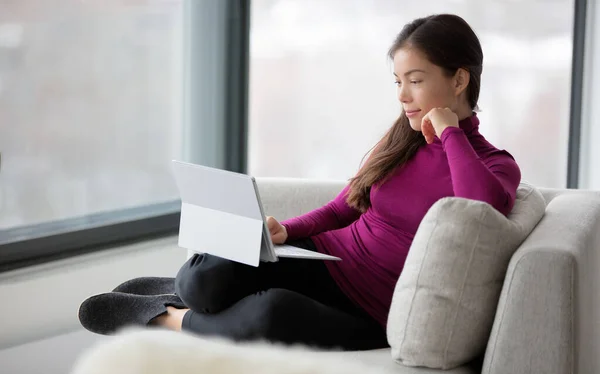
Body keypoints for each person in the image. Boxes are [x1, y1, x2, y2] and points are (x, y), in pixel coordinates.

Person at [78, 14, 521, 351]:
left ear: (460, 79)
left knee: (272, 313)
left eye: (416, 81)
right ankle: (182, 293)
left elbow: (476, 211)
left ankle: (166, 318)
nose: (402, 96)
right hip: (327, 259)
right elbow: (349, 203)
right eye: (398, 82)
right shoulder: (404, 136)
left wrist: (450, 133)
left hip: (373, 310)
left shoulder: (495, 167)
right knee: (205, 279)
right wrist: (289, 230)